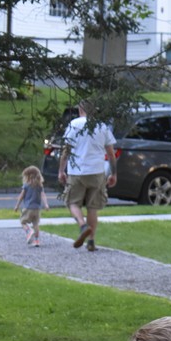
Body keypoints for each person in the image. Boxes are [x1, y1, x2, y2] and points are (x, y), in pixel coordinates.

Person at [58, 99, 117, 252]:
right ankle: (91, 241)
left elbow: (66, 151)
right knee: (93, 207)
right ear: (94, 110)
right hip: (97, 171)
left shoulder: (74, 124)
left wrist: (61, 171)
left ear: (80, 110)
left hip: (76, 172)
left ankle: (82, 225)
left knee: (72, 203)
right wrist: (114, 174)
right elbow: (111, 154)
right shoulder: (102, 126)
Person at [13, 165, 49, 247]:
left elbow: (21, 196)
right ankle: (37, 241)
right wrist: (46, 204)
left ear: (28, 176)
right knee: (35, 224)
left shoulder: (26, 185)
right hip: (37, 209)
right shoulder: (40, 186)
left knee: (23, 221)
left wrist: (17, 205)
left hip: (28, 208)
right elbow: (43, 195)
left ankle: (29, 231)